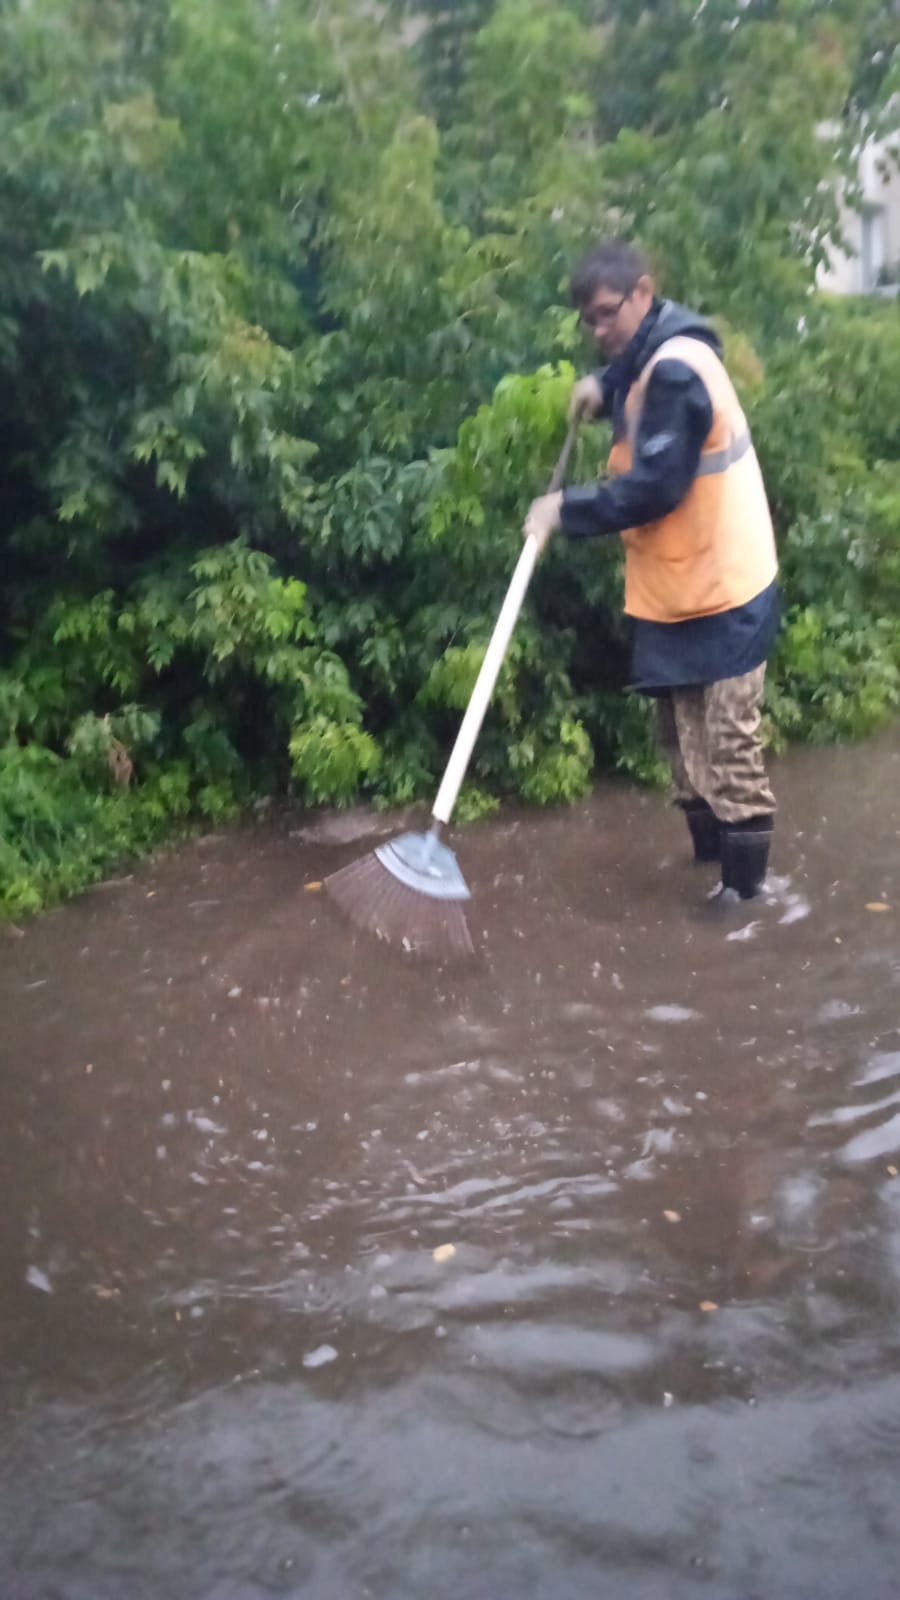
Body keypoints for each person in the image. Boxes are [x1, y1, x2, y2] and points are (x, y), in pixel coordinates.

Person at [523, 240, 780, 901]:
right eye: (590, 321)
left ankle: (742, 901)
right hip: (673, 585)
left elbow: (656, 487)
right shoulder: (648, 348)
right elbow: (631, 371)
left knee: (725, 748)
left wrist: (564, 511)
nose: (600, 330)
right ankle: (706, 871)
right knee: (680, 750)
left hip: (726, 585)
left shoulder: (679, 369)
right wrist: (601, 390)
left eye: (608, 314)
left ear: (643, 291)